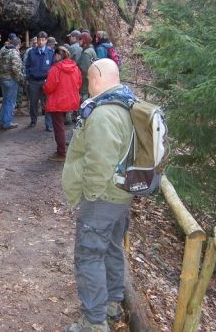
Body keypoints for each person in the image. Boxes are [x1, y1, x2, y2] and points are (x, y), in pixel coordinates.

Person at [61, 59, 136, 332]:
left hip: (103, 198)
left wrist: (90, 195)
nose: (86, 85)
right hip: (120, 196)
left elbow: (99, 161)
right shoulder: (127, 105)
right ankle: (113, 305)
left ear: (97, 79)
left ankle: (94, 322)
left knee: (89, 256)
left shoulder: (104, 114)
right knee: (111, 249)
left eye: (88, 79)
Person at [43, 46, 81, 162]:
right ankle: (62, 150)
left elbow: (49, 87)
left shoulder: (55, 69)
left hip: (58, 102)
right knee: (62, 127)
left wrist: (44, 87)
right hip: (70, 100)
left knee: (59, 128)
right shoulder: (75, 68)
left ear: (58, 55)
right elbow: (79, 83)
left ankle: (61, 152)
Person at [25, 31, 54, 130]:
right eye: (39, 40)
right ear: (37, 40)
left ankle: (48, 124)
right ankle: (33, 121)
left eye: (43, 40)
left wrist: (50, 79)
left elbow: (53, 67)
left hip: (46, 81)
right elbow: (27, 66)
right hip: (33, 81)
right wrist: (28, 77)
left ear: (46, 41)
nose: (40, 42)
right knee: (33, 102)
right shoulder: (31, 52)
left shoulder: (51, 53)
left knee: (47, 103)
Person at [0, 36, 25, 130]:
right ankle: (7, 123)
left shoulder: (4, 51)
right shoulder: (14, 53)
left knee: (5, 100)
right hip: (11, 80)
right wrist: (21, 80)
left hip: (3, 78)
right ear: (18, 45)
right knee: (10, 102)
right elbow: (16, 69)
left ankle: (2, 121)